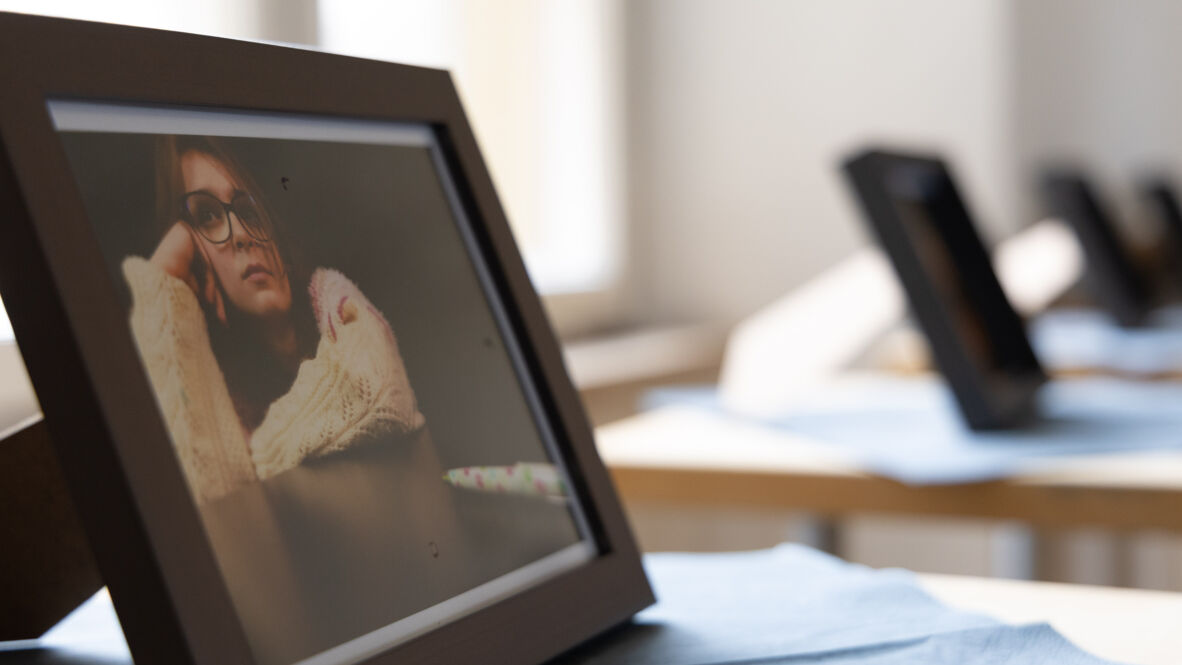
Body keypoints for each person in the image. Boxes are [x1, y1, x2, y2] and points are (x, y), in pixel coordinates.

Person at [123, 136, 425, 505]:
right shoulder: (225, 402)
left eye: (247, 210)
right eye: (207, 217)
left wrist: (259, 462)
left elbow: (377, 397)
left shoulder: (333, 299)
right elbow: (216, 505)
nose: (243, 235)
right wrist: (164, 284)